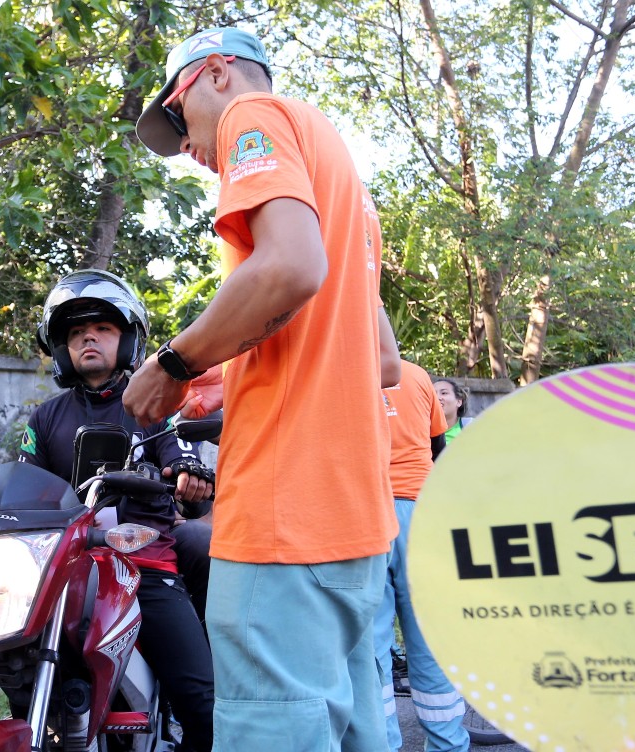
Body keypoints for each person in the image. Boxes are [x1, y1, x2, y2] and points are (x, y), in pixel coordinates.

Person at [125, 26, 396, 751]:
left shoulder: (257, 116)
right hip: (354, 521)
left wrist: (175, 363)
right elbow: (381, 360)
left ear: (218, 73)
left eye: (180, 118)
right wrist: (235, 370)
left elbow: (288, 271)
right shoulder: (342, 181)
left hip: (286, 517)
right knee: (352, 731)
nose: (185, 145)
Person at [18, 269, 216, 752]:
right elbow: (23, 486)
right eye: (75, 332)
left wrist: (189, 472)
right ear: (62, 349)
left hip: (142, 567)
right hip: (62, 570)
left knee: (205, 705)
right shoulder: (45, 417)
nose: (88, 336)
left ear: (126, 340)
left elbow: (178, 455)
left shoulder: (152, 406)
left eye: (103, 328)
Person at [375, 360, 468, 752]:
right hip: (418, 510)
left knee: (371, 646)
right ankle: (448, 744)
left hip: (366, 515)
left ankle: (381, 743)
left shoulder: (338, 371)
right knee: (430, 637)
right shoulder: (417, 377)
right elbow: (437, 445)